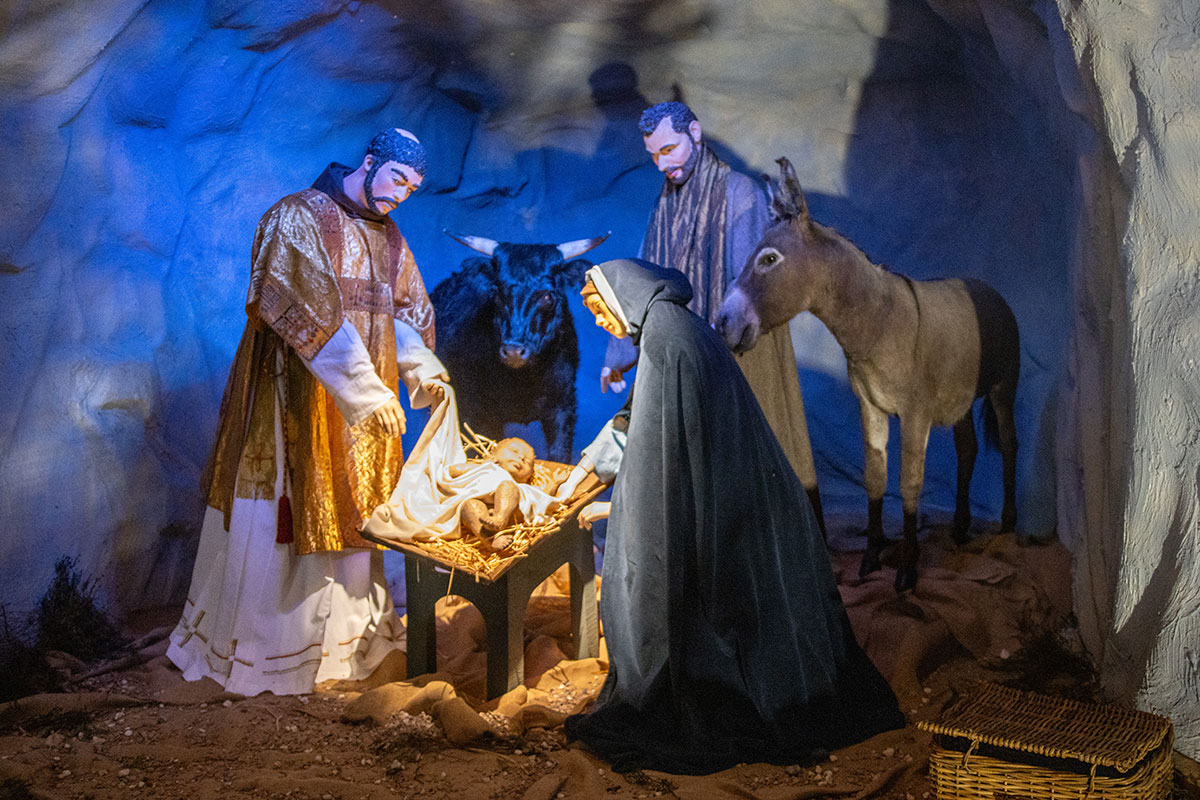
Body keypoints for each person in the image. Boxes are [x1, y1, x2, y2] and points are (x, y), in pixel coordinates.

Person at [565, 259, 904, 774]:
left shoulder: (666, 338)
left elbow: (659, 455)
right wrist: (580, 475)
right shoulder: (670, 327)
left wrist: (620, 505)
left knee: (713, 615)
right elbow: (639, 420)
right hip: (738, 495)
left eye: (598, 309)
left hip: (729, 503)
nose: (598, 322)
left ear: (622, 296)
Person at [167, 128, 448, 696]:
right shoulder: (295, 217)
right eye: (397, 179)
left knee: (357, 510)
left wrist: (421, 367)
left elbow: (403, 312)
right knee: (283, 517)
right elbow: (304, 313)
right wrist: (367, 392)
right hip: (290, 401)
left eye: (413, 188)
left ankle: (348, 649)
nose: (402, 195)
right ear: (370, 163)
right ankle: (269, 652)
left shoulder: (389, 237)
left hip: (359, 411)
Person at [603, 101, 825, 532]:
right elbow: (650, 275)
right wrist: (620, 352)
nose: (662, 163)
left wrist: (713, 345)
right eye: (654, 155)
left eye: (669, 149)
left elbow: (747, 287)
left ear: (695, 134)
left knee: (756, 456)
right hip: (689, 354)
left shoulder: (738, 193)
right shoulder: (666, 203)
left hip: (741, 353)